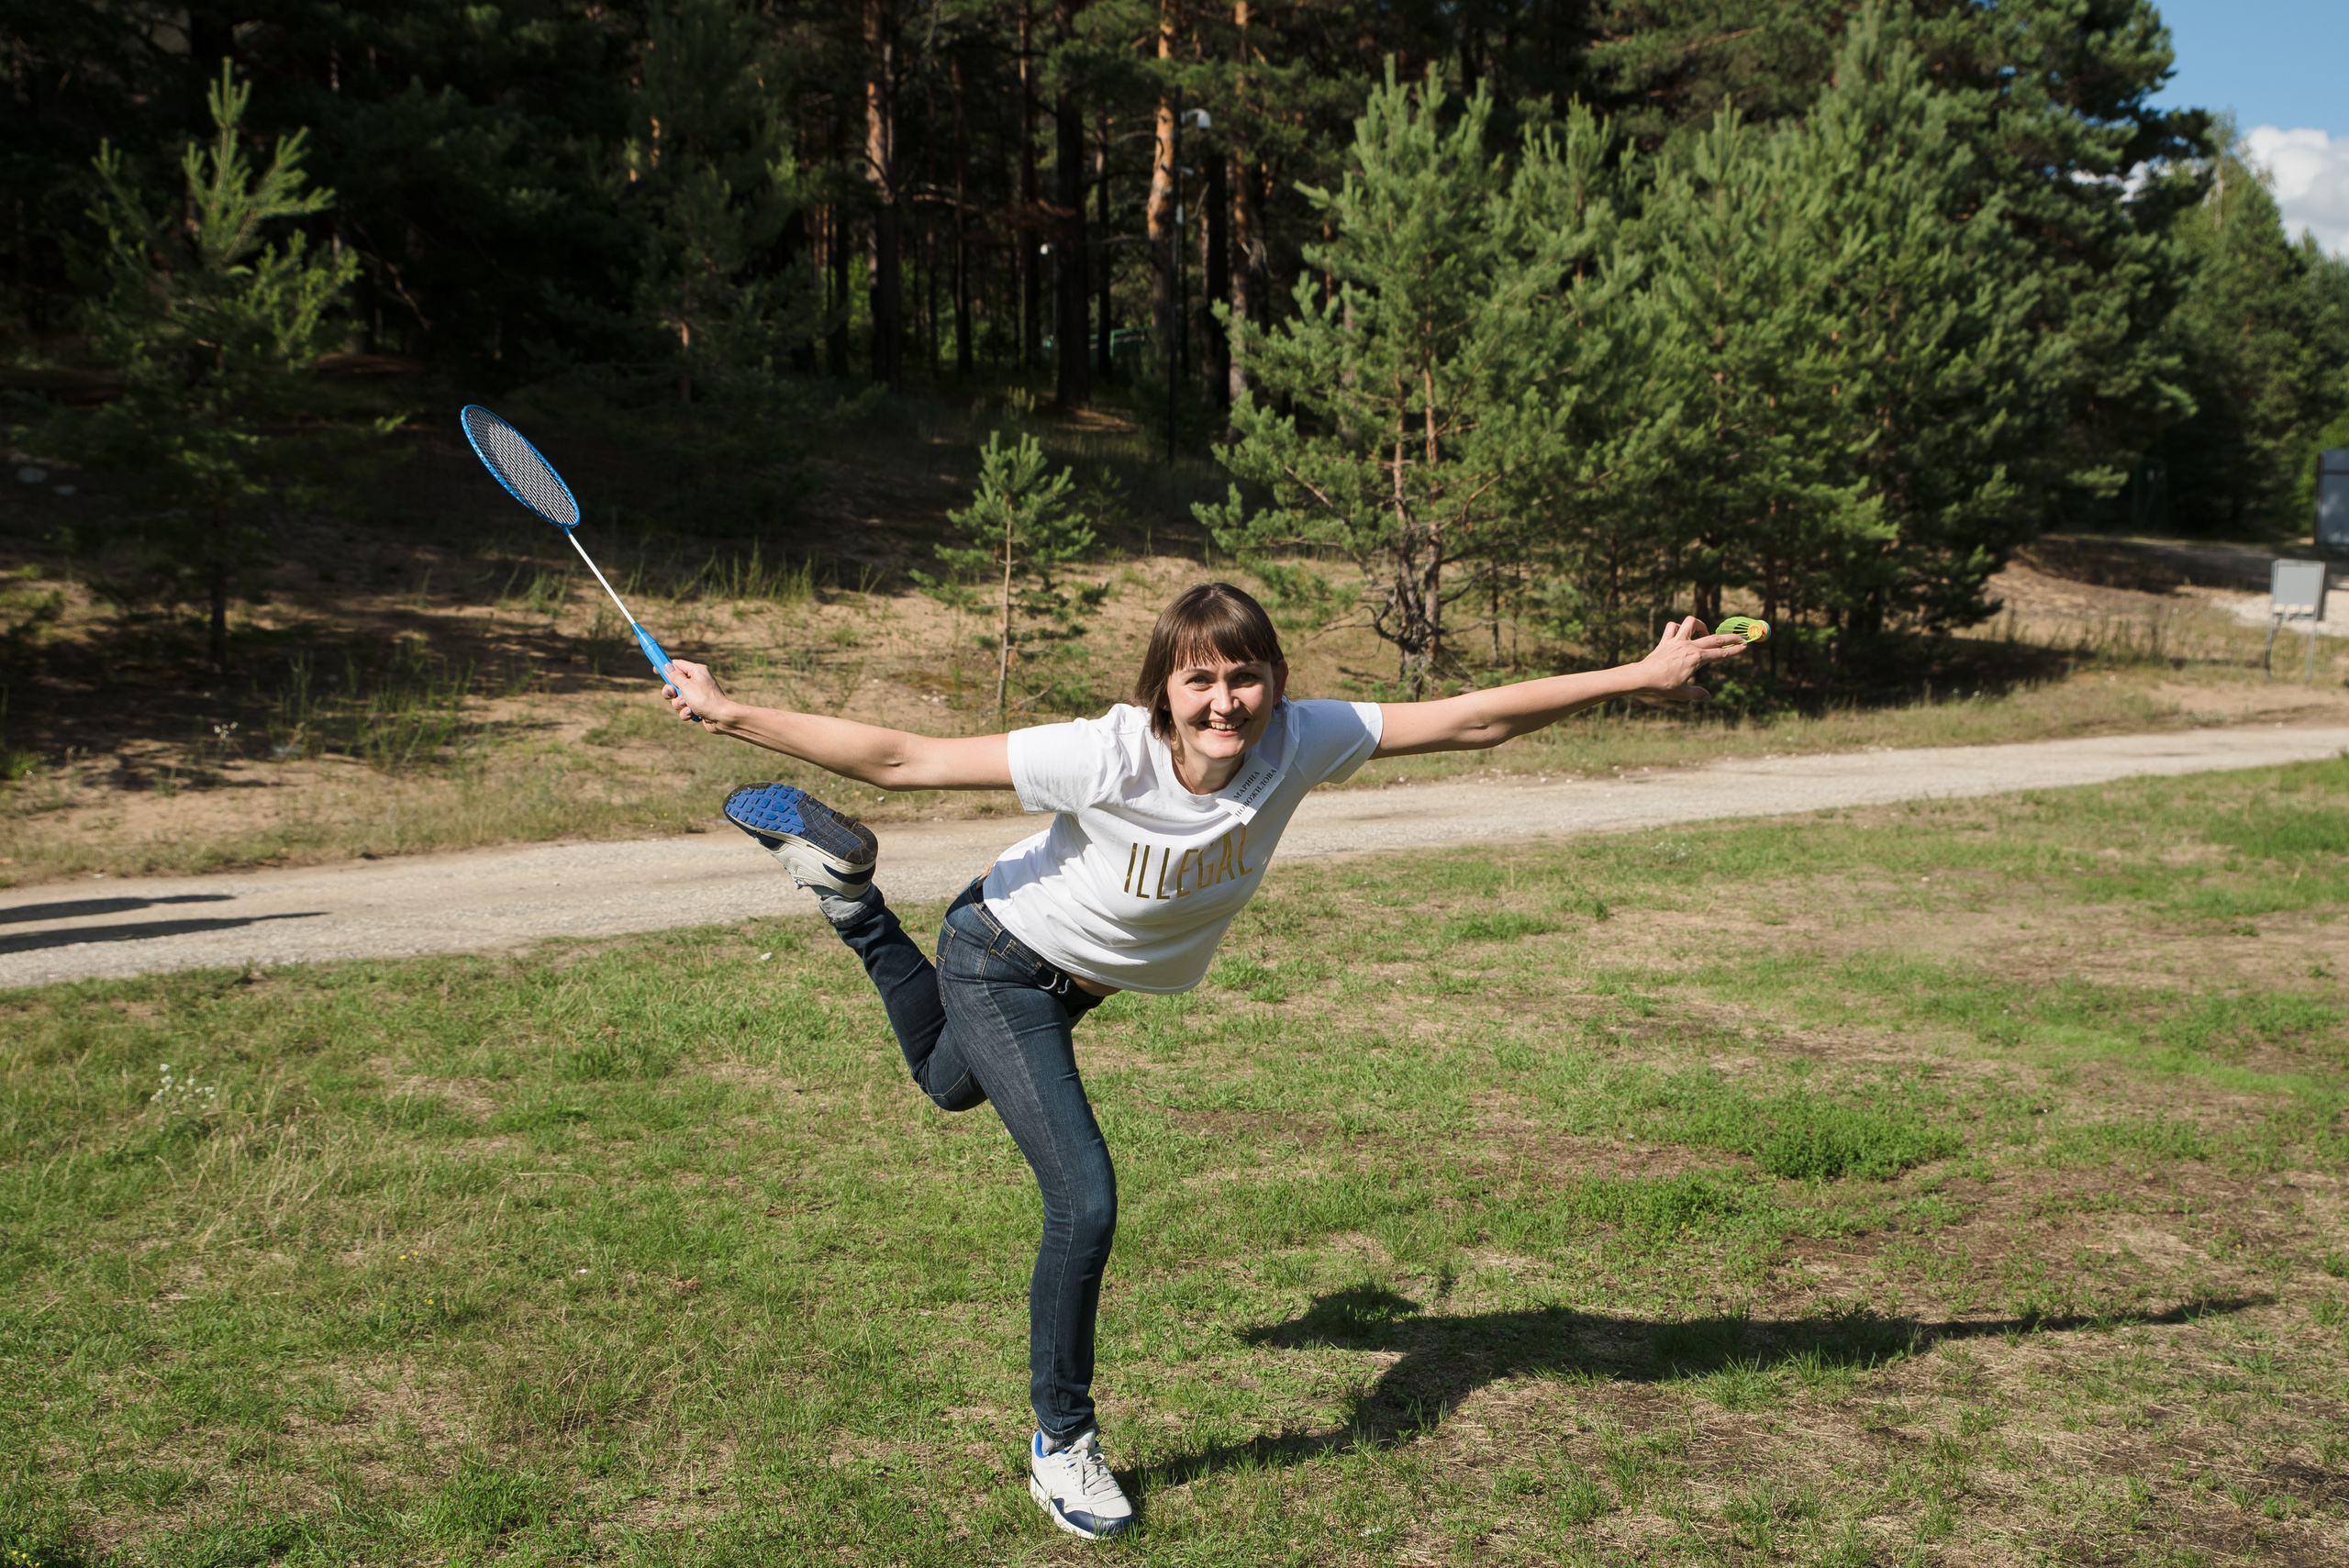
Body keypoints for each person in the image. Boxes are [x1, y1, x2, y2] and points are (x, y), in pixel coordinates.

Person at [660, 582, 1744, 1540]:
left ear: (1274, 682)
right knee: (1082, 1199)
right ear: (1158, 692)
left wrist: (1640, 675)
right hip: (1001, 956)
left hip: (1074, 983)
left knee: (946, 1083)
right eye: (1198, 680)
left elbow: (1472, 720)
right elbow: (907, 758)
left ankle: (851, 899)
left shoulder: (1302, 739)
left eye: (1244, 676)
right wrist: (732, 710)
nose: (1223, 701)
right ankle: (1062, 1442)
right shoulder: (1105, 751)